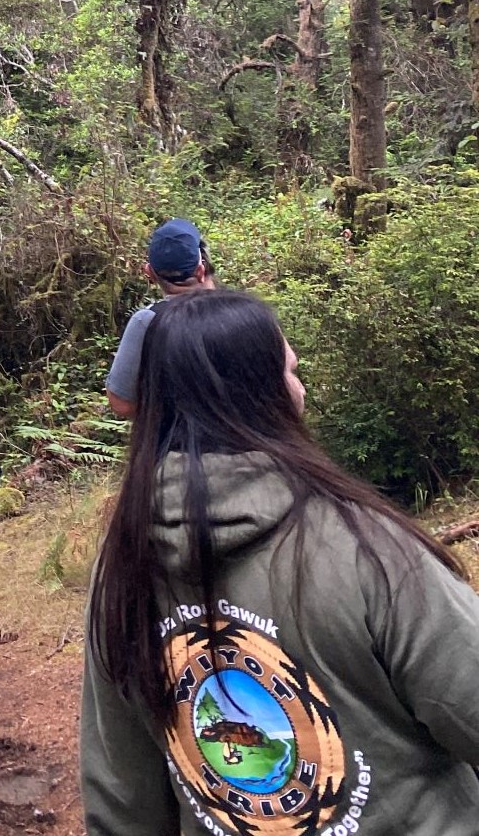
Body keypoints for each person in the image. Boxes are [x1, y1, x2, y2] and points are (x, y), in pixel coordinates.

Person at [81, 288, 479, 835]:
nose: (302, 386)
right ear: (261, 394)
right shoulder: (369, 547)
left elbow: (122, 796)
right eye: (291, 370)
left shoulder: (120, 566)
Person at [105, 218, 215, 418]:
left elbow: (121, 404)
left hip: (175, 444)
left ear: (150, 273)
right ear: (201, 269)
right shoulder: (247, 312)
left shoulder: (146, 322)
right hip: (254, 443)